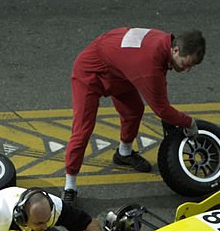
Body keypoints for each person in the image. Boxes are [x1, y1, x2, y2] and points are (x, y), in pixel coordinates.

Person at [63, 28, 205, 205]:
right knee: (83, 130)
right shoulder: (150, 62)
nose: (187, 69)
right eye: (187, 63)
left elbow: (159, 84)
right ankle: (70, 185)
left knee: (134, 110)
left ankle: (124, 153)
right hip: (91, 72)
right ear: (175, 50)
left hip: (120, 71)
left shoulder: (164, 43)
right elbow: (161, 108)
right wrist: (188, 122)